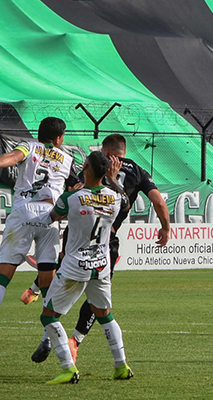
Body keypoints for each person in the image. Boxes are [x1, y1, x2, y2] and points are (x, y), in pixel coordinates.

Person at [42, 133, 170, 364]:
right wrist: (166, 228)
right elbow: (158, 202)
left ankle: (52, 338)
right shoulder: (137, 173)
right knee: (100, 304)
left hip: (76, 239)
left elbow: (75, 193)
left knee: (56, 298)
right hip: (106, 245)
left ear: (107, 154)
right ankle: (77, 342)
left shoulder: (94, 167)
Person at [0, 117, 76, 356]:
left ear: (40, 135)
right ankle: (48, 337)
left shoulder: (29, 146)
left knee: (3, 275)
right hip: (50, 217)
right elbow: (75, 187)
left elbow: (13, 158)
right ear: (59, 138)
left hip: (24, 212)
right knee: (47, 280)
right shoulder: (67, 159)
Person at [39, 151, 131, 384]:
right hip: (101, 265)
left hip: (74, 267)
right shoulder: (116, 197)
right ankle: (121, 366)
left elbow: (51, 217)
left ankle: (68, 369)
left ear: (87, 167)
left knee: (49, 316)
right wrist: (112, 179)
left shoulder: (71, 198)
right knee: (105, 315)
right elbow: (126, 202)